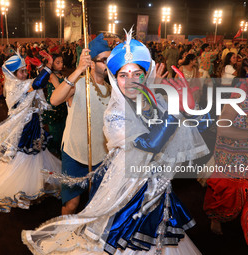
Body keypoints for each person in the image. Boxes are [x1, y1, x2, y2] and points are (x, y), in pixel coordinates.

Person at [22, 28, 210, 255]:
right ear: (115, 77)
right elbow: (150, 144)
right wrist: (174, 112)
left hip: (157, 191)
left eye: (137, 73)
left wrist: (192, 109)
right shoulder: (114, 114)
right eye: (123, 75)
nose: (130, 80)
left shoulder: (156, 101)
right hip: (127, 191)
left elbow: (195, 133)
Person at [0, 53, 62, 213]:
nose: (25, 74)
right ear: (12, 74)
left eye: (26, 71)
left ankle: (34, 185)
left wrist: (41, 67)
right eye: (21, 72)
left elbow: (38, 84)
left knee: (37, 154)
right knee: (24, 157)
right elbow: (39, 82)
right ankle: (23, 190)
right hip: (24, 128)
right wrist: (48, 65)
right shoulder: (15, 86)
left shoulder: (22, 83)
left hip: (33, 124)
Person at [203, 65, 248, 254]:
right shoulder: (237, 100)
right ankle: (216, 217)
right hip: (231, 162)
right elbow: (222, 128)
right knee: (223, 201)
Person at [49, 33, 111, 215]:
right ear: (92, 63)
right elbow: (54, 100)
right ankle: (64, 238)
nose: (109, 64)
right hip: (74, 154)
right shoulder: (78, 84)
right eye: (104, 60)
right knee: (71, 205)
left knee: (97, 206)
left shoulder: (111, 90)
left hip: (101, 156)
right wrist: (77, 70)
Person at [42, 53, 67, 158]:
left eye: (61, 62)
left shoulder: (62, 75)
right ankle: (54, 157)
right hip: (54, 108)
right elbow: (60, 89)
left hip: (62, 106)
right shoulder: (52, 76)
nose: (60, 64)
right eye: (58, 62)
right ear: (52, 64)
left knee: (63, 131)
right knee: (55, 134)